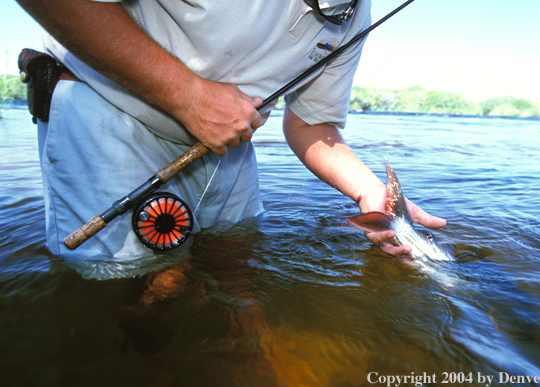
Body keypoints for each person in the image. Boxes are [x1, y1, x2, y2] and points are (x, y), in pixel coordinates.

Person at [17, 0, 446, 270]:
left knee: (234, 270)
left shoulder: (357, 16)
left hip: (229, 147)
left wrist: (371, 192)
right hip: (106, 110)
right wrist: (187, 96)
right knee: (116, 284)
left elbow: (311, 124)